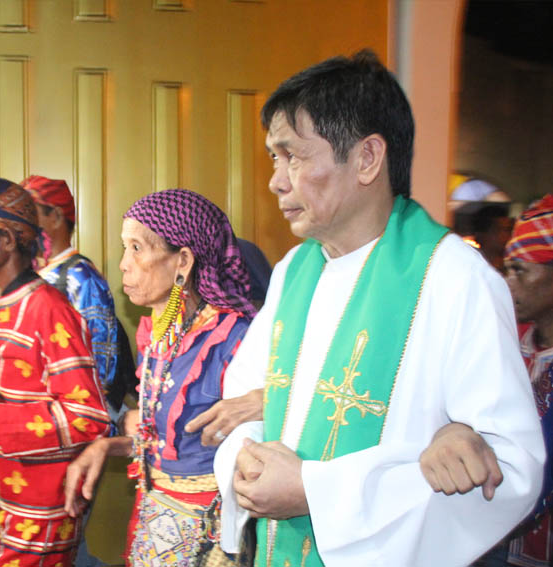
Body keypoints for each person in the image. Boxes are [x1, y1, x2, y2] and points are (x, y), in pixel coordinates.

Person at [220, 50, 545, 566]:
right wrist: (247, 460)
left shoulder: (454, 279)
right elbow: (241, 403)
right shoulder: (292, 272)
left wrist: (316, 493)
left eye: (293, 157)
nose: (276, 181)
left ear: (367, 158)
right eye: (273, 159)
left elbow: (510, 469)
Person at [64, 188, 259, 566]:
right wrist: (108, 446)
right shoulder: (159, 332)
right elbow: (163, 439)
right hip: (154, 523)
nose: (123, 264)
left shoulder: (235, 340)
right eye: (125, 248)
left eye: (136, 248)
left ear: (182, 260)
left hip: (208, 539)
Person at [0, 176, 110, 567]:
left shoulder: (49, 308)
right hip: (1, 495)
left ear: (8, 240)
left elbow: (89, 419)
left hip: (43, 503)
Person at [474, 195, 553, 566]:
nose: (508, 284)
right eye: (507, 270)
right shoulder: (509, 342)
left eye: (520, 271)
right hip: (496, 540)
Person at [21, 175, 131, 419]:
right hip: (43, 406)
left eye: (31, 212)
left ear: (57, 217)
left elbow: (102, 350)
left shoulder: (80, 276)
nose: (24, 222)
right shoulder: (34, 272)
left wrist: (88, 411)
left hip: (73, 409)